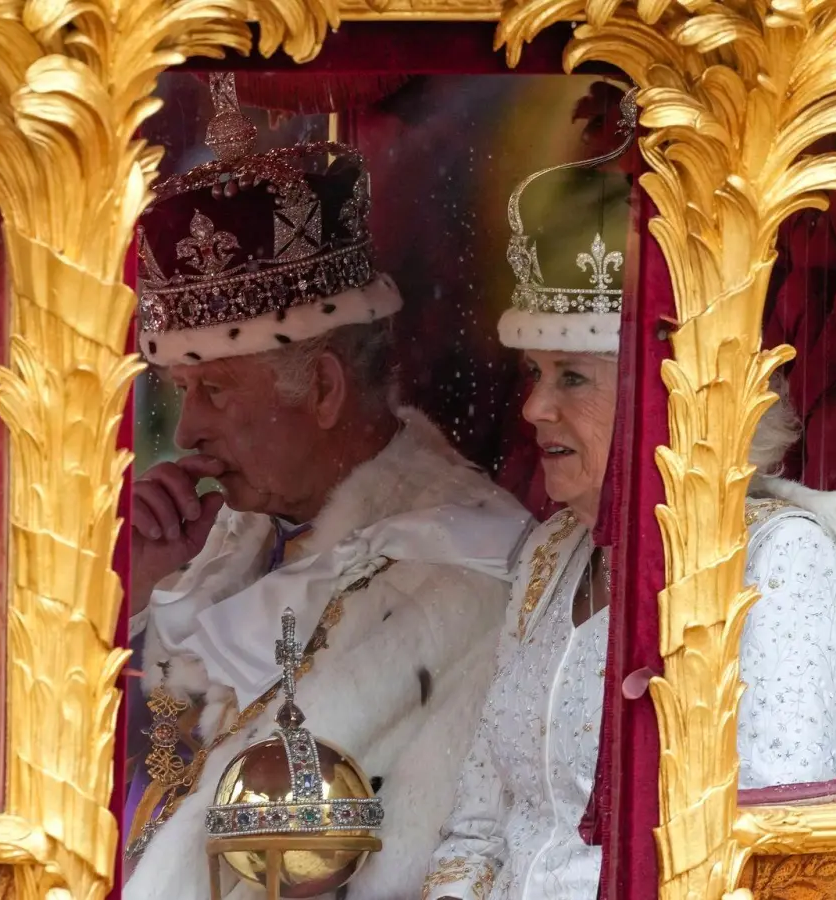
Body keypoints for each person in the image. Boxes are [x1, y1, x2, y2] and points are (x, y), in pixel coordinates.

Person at [421, 103, 836, 900]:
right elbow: (477, 825)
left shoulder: (779, 559)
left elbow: (770, 853)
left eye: (570, 379)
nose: (535, 409)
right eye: (535, 375)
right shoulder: (552, 555)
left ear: (664, 394)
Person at [119, 77, 532, 900]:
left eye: (217, 392)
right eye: (180, 394)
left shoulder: (464, 574)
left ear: (324, 390)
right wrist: (134, 599)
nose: (188, 432)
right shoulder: (237, 533)